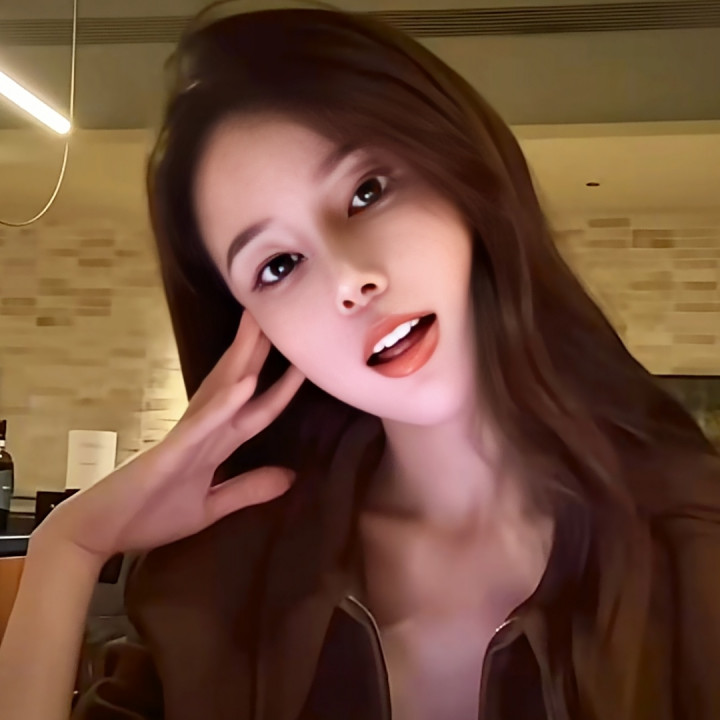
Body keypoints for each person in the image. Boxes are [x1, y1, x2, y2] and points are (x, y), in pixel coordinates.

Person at [1, 2, 719, 718]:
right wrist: (70, 547)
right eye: (279, 265)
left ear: (461, 176)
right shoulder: (222, 582)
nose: (350, 280)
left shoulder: (692, 546)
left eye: (367, 192)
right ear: (255, 331)